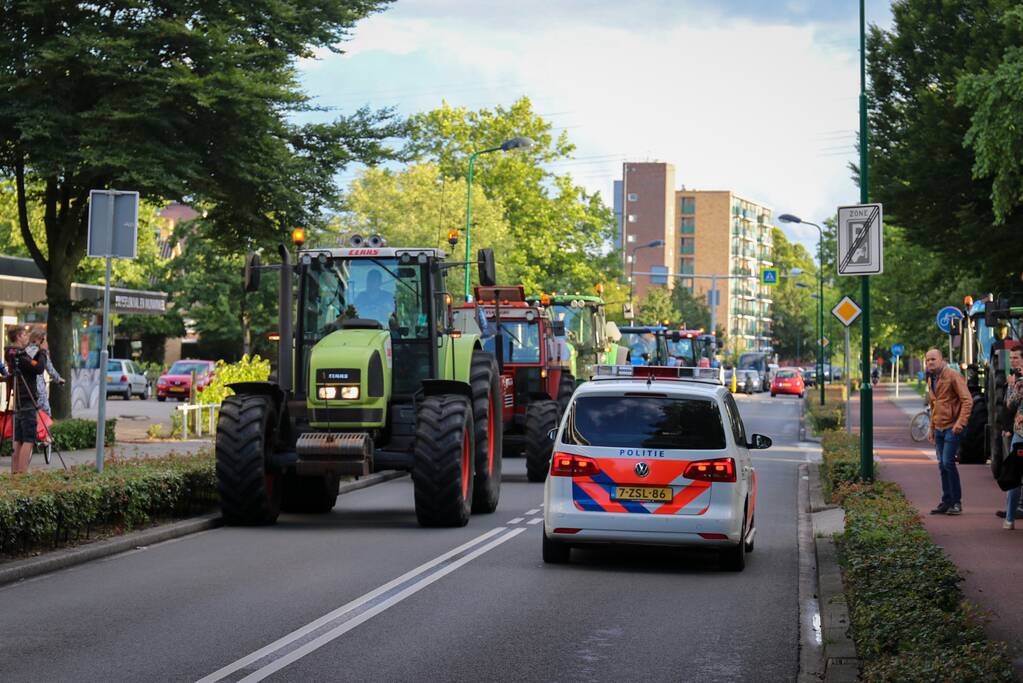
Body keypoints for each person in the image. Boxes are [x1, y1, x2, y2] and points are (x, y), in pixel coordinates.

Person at [925, 347, 973, 515]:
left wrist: (960, 423)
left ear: (942, 360)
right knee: (942, 465)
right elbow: (933, 405)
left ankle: (956, 503)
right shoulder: (931, 378)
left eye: (933, 359)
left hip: (952, 427)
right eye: (927, 360)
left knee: (947, 462)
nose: (930, 362)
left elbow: (967, 400)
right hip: (938, 428)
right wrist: (931, 428)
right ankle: (946, 502)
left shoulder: (952, 375)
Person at [8, 327, 46, 473]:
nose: (27, 337)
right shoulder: (19, 355)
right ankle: (22, 474)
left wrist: (37, 351)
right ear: (18, 337)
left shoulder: (15, 353)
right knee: (28, 439)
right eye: (24, 334)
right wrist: (42, 351)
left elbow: (34, 363)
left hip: (19, 399)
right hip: (26, 399)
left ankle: (16, 473)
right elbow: (39, 368)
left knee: (19, 438)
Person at [999, 347, 1023, 528]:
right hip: (1018, 432)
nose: (1013, 361)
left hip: (1021, 434)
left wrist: (1013, 385)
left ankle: (1009, 519)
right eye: (1011, 358)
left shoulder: (1019, 382)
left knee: (1014, 474)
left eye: (1016, 358)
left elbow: (1010, 404)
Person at [29, 329, 63, 417]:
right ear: (40, 340)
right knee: (46, 414)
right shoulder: (41, 353)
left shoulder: (26, 351)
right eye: (45, 340)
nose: (47, 343)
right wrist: (59, 379)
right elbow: (50, 369)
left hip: (27, 389)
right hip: (39, 390)